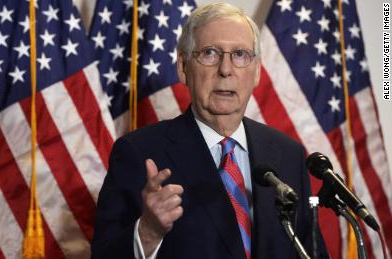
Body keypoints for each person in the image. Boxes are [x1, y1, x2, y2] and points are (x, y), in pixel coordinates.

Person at [92, 3, 328, 259]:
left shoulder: (288, 154)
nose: (225, 70)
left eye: (240, 55)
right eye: (210, 53)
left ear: (257, 71)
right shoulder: (138, 153)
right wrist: (148, 231)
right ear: (183, 67)